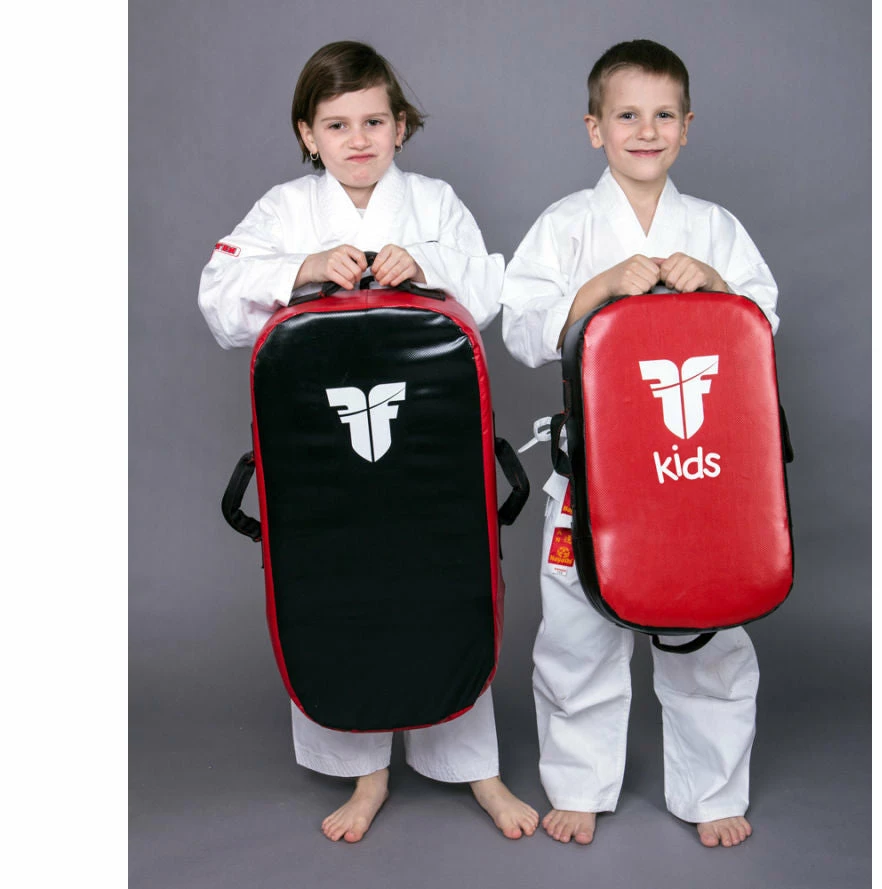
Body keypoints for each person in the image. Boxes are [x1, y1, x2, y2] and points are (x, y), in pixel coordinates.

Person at [198, 40, 538, 844]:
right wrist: (303, 266)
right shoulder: (285, 210)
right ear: (308, 134)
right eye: (337, 124)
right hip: (321, 449)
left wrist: (425, 263)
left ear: (400, 126)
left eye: (375, 122)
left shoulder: (433, 203)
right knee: (338, 585)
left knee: (445, 577)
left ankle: (476, 766)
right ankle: (366, 771)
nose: (358, 139)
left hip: (429, 439)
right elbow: (216, 296)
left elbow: (491, 287)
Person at [500, 39, 780, 848]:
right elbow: (520, 326)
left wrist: (717, 286)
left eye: (663, 115)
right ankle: (580, 783)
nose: (646, 131)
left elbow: (763, 322)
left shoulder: (715, 228)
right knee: (576, 633)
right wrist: (596, 289)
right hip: (595, 471)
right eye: (627, 115)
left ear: (687, 127)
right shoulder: (567, 226)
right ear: (595, 128)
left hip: (701, 470)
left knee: (710, 629)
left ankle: (712, 786)